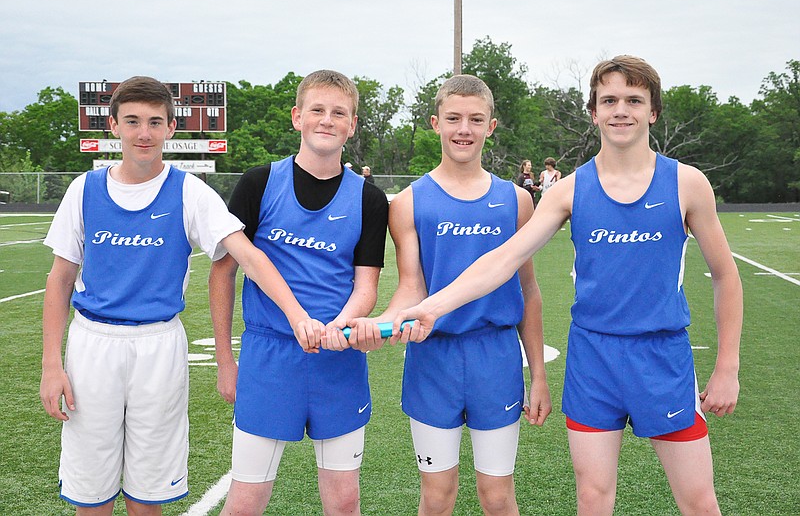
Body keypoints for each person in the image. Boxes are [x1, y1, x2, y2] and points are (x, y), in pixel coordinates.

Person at [394, 56, 742, 516]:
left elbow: (725, 276)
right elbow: (505, 260)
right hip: (592, 361)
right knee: (593, 500)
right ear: (593, 112)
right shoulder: (568, 191)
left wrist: (727, 367)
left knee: (699, 502)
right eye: (609, 100)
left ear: (653, 111)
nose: (621, 110)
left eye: (634, 100)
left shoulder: (687, 184)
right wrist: (434, 307)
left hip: (663, 359)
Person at [40, 76, 315, 516]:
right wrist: (51, 366)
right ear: (113, 126)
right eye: (132, 121)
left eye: (154, 122)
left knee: (148, 494)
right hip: (92, 345)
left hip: (159, 346)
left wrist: (297, 314)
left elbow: (249, 256)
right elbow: (60, 280)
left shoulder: (189, 191)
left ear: (171, 128)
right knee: (91, 495)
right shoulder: (83, 189)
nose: (143, 133)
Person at [350, 74, 551, 515]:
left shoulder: (516, 199)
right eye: (454, 118)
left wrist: (537, 374)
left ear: (491, 127)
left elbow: (528, 289)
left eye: (476, 119)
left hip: (495, 359)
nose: (465, 129)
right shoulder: (408, 202)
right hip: (433, 362)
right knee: (437, 496)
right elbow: (411, 288)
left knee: (497, 497)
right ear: (435, 123)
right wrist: (381, 323)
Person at [209, 69, 389, 515]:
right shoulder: (258, 183)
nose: (327, 120)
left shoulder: (368, 198)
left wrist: (341, 324)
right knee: (246, 501)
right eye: (317, 110)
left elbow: (366, 285)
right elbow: (222, 272)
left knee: (345, 502)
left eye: (339, 113)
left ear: (352, 124)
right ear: (297, 117)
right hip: (268, 358)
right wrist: (226, 361)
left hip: (338, 358)